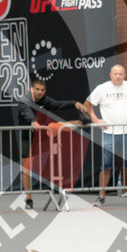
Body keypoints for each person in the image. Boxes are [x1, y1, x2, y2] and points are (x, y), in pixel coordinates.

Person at [78, 64, 127, 206]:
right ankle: (101, 197)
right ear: (110, 75)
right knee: (106, 167)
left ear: (124, 75)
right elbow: (87, 105)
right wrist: (96, 120)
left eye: (120, 73)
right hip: (109, 135)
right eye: (115, 73)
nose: (118, 76)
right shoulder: (102, 88)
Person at [16, 78, 86, 209]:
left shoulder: (44, 100)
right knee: (26, 169)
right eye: (37, 89)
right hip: (28, 137)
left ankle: (80, 122)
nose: (39, 92)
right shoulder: (24, 102)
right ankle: (29, 199)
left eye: (42, 90)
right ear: (32, 89)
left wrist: (74, 103)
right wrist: (34, 123)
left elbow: (58, 104)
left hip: (43, 135)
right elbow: (28, 116)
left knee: (55, 127)